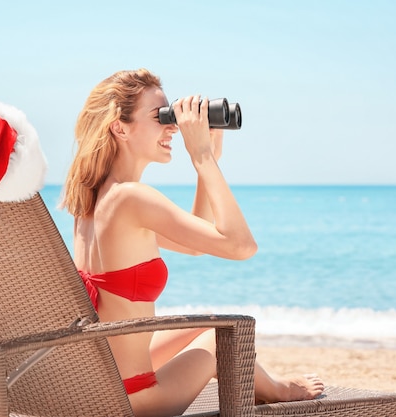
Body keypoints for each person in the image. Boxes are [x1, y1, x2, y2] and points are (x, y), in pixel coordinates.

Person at [61, 68, 324, 417]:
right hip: (131, 399)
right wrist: (200, 156)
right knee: (222, 342)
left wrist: (209, 160)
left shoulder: (96, 202)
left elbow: (197, 242)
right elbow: (241, 246)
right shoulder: (131, 199)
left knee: (204, 326)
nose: (173, 127)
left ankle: (272, 386)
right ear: (119, 127)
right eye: (161, 117)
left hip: (99, 382)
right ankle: (278, 390)